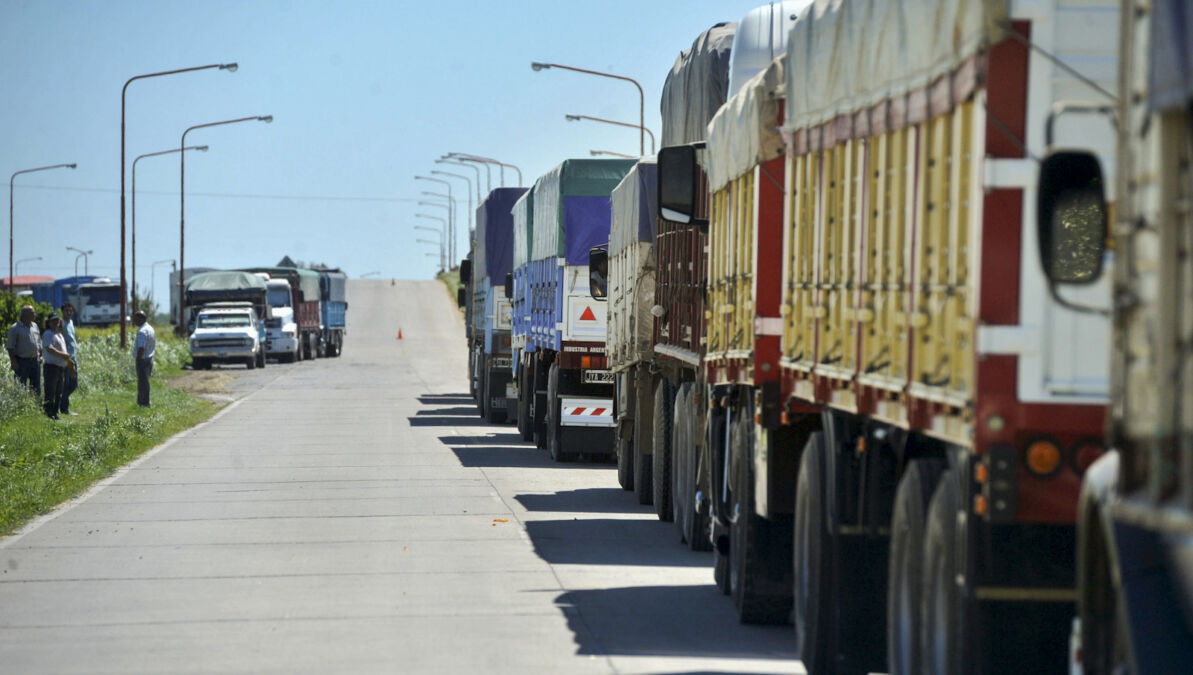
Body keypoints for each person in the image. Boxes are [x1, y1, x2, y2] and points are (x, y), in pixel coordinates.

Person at [6, 304, 42, 394]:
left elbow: (38, 341)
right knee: (20, 387)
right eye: (32, 313)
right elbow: (10, 346)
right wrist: (13, 361)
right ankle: (19, 402)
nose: (34, 314)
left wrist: (41, 355)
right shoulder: (15, 328)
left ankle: (35, 402)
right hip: (22, 362)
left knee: (36, 387)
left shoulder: (35, 326)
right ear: (25, 314)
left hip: (35, 361)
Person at [42, 315, 71, 420]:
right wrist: (63, 355)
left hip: (60, 367)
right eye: (53, 321)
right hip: (51, 367)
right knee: (51, 391)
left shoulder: (59, 334)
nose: (56, 322)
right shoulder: (48, 334)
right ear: (49, 323)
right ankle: (48, 412)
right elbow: (49, 349)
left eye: (57, 320)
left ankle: (55, 412)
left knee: (58, 392)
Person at [59, 302, 79, 415]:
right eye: (66, 310)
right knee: (66, 384)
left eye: (71, 311)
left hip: (73, 357)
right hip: (65, 358)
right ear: (62, 311)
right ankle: (64, 408)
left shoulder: (71, 322)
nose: (69, 312)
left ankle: (61, 402)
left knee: (74, 384)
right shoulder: (60, 323)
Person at [133, 311, 156, 407]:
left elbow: (141, 348)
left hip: (143, 359)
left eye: (136, 319)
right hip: (149, 358)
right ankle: (143, 401)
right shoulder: (150, 328)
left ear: (141, 319)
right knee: (145, 381)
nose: (134, 321)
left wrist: (138, 359)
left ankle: (144, 403)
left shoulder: (142, 331)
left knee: (142, 382)